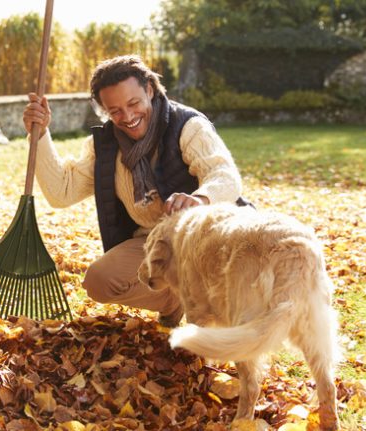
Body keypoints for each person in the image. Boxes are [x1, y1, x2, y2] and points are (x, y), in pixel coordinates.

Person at [22, 54, 246, 327]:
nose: (127, 117)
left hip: (204, 237)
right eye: (114, 110)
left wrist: (199, 198)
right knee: (99, 282)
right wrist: (41, 134)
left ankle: (211, 300)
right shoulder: (105, 146)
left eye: (133, 103)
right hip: (153, 241)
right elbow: (62, 192)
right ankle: (173, 301)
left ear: (149, 90)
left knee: (224, 299)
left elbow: (225, 176)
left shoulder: (186, 126)